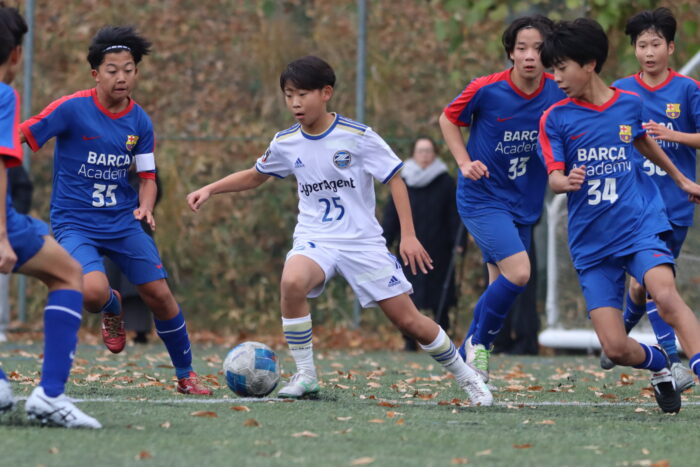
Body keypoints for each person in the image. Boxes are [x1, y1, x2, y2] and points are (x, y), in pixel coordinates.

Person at [187, 55, 492, 405]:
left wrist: (408, 235)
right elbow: (256, 175)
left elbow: (395, 179)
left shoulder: (358, 136)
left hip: (362, 242)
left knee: (409, 321)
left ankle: (467, 376)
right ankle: (306, 375)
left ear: (326, 93)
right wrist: (210, 188)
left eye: (303, 94)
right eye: (289, 95)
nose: (295, 103)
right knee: (292, 282)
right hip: (316, 238)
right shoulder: (286, 142)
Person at [19, 26, 211, 395]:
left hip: (123, 222)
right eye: (112, 70)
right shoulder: (71, 108)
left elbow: (148, 177)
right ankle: (112, 305)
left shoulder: (140, 121)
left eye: (129, 69)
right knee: (93, 293)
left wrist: (145, 207)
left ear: (136, 72)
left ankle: (186, 375)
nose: (121, 77)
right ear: (96, 74)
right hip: (75, 222)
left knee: (160, 295)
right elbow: (23, 135)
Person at [538, 17, 700, 413]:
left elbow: (642, 140)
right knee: (614, 346)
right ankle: (660, 365)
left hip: (639, 225)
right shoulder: (555, 117)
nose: (556, 78)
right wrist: (565, 181)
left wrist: (681, 179)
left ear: (589, 64)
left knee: (665, 295)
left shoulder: (628, 104)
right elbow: (554, 177)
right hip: (592, 242)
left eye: (561, 68)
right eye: (552, 70)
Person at [439, 15, 565, 382]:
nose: (529, 56)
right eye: (521, 48)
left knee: (502, 287)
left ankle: (468, 350)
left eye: (538, 49)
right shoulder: (486, 88)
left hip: (525, 202)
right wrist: (464, 162)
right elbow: (448, 119)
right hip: (482, 198)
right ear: (510, 52)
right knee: (520, 272)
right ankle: (478, 344)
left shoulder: (558, 92)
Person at [0, 4, 100, 428]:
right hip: (4, 222)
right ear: (17, 54)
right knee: (68, 273)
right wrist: (2, 235)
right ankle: (50, 395)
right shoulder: (4, 94)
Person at [598, 7, 700, 392]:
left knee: (644, 287)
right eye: (642, 45)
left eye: (656, 44)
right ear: (634, 50)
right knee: (658, 283)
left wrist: (671, 135)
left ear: (670, 47)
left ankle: (623, 327)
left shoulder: (688, 90)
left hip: (676, 204)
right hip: (635, 206)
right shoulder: (621, 90)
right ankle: (673, 360)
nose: (649, 52)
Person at [381, 136, 462, 351]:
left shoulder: (445, 181)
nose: (425, 155)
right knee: (409, 293)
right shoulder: (403, 181)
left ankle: (442, 338)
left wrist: (458, 241)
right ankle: (409, 340)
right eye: (421, 151)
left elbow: (454, 215)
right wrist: (385, 240)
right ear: (413, 154)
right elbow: (392, 214)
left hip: (439, 248)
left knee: (440, 294)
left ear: (434, 154)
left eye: (428, 151)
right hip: (408, 249)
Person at [0, 165, 32, 342]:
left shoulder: (8, 160)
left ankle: (0, 327)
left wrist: (12, 219)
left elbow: (23, 189)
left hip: (5, 230)